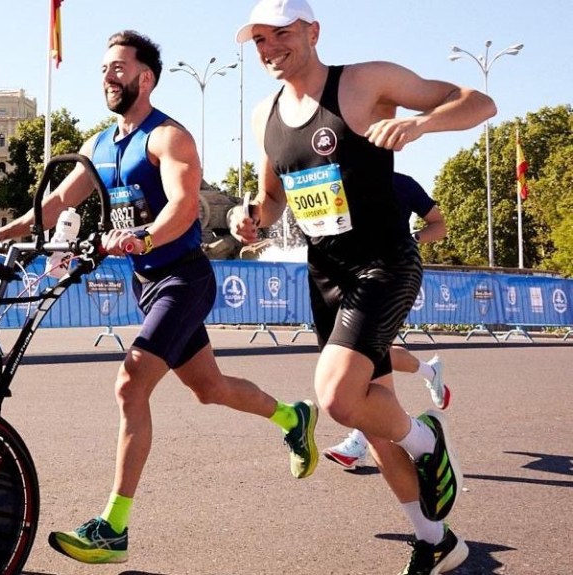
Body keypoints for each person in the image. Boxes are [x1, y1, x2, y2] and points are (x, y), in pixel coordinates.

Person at [0, 30, 318, 565]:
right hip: (148, 283)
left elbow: (185, 208)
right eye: (103, 69)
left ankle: (113, 528)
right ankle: (293, 418)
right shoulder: (97, 145)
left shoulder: (169, 139)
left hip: (183, 278)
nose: (108, 76)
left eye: (119, 67)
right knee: (210, 389)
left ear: (145, 78)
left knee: (131, 383)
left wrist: (142, 238)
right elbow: (55, 203)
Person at [231, 1, 496, 573]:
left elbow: (479, 102)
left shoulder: (365, 81)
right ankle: (437, 540)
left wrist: (422, 123)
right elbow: (273, 196)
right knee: (370, 419)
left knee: (335, 397)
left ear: (313, 31)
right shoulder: (264, 115)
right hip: (326, 274)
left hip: (384, 264)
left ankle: (427, 441)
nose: (270, 47)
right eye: (259, 40)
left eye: (282, 33)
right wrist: (250, 217)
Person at [324, 173, 451, 470]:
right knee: (378, 355)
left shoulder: (402, 183)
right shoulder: (338, 181)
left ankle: (360, 441)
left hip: (392, 278)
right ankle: (429, 372)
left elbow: (439, 225)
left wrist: (413, 237)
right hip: (353, 279)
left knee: (366, 358)